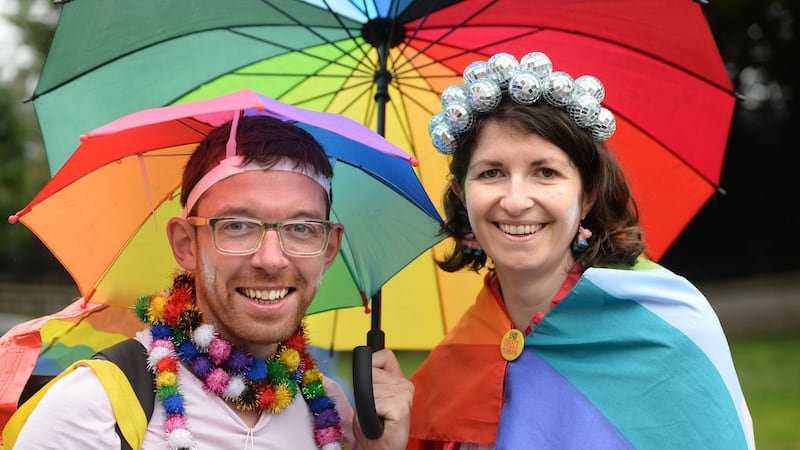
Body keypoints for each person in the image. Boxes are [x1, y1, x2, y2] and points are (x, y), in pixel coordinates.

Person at [408, 52, 754, 449]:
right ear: (462, 195)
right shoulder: (449, 368)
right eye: (492, 173)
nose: (516, 200)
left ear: (587, 194)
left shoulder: (669, 323)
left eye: (545, 172)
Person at [4, 114, 413, 449]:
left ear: (327, 249)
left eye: (301, 228)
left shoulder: (335, 415)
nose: (271, 259)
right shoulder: (91, 409)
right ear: (186, 244)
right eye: (237, 225)